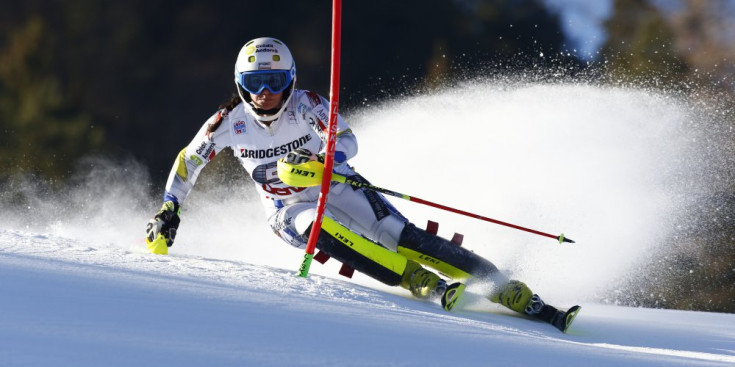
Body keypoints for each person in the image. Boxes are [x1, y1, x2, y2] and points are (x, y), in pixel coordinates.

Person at [145, 37, 579, 332]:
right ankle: (420, 282)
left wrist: (323, 159)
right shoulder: (228, 123)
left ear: (289, 80)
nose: (266, 94)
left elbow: (348, 139)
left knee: (399, 235)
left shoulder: (307, 104)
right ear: (241, 87)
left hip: (333, 182)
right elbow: (189, 162)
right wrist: (170, 208)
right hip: (287, 210)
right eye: (255, 84)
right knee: (321, 227)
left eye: (274, 82)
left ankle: (505, 286)